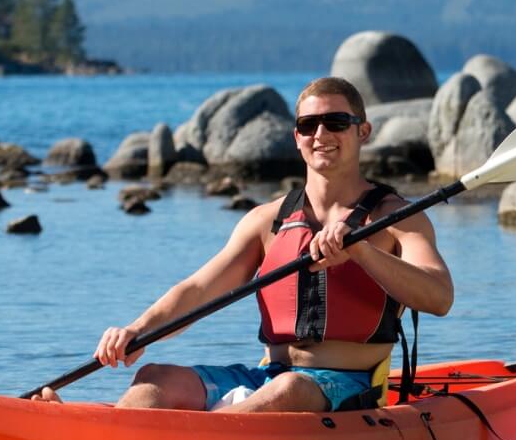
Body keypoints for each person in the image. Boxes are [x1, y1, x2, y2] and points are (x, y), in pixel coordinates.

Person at [37, 76, 453, 412]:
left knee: (288, 389)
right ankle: (102, 431)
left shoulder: (397, 218)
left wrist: (362, 252)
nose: (321, 134)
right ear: (296, 138)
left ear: (363, 131)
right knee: (156, 379)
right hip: (267, 378)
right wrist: (137, 330)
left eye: (336, 123)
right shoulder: (265, 221)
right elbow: (199, 290)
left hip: (348, 386)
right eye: (309, 125)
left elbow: (439, 296)